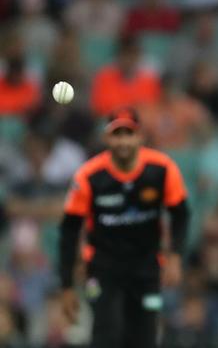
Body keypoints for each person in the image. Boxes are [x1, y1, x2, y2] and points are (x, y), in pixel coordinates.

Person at [57, 108, 189, 348]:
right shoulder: (89, 176)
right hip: (102, 269)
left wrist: (176, 256)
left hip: (147, 268)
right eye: (117, 134)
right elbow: (69, 229)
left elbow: (180, 214)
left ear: (140, 137)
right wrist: (66, 285)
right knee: (108, 333)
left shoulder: (162, 169)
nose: (123, 141)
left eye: (129, 134)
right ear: (107, 138)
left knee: (145, 338)